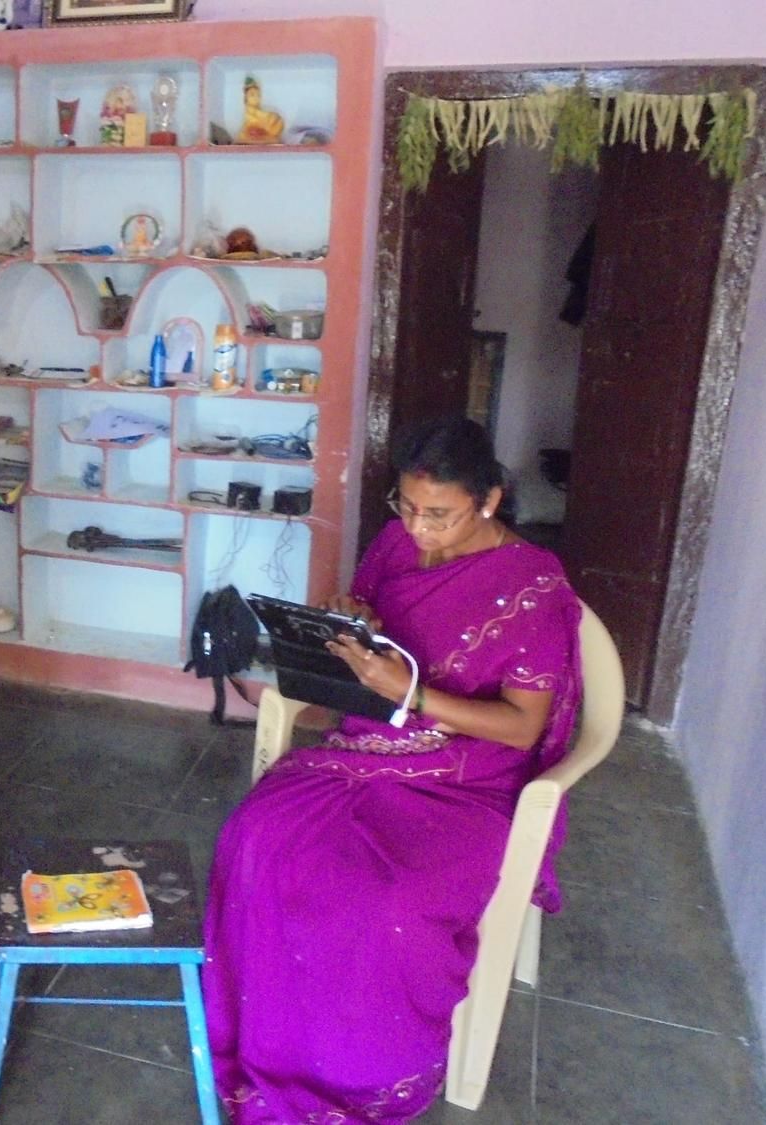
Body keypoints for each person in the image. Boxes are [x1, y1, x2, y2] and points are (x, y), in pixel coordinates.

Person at [202, 417, 582, 1123]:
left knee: (385, 904)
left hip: (469, 780)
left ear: (490, 499)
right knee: (253, 839)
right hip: (366, 750)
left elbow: (524, 723)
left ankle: (361, 1072)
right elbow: (376, 620)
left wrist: (410, 694)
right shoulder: (398, 543)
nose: (419, 528)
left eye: (439, 514)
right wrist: (350, 618)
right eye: (406, 508)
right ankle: (269, 1049)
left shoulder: (534, 584)